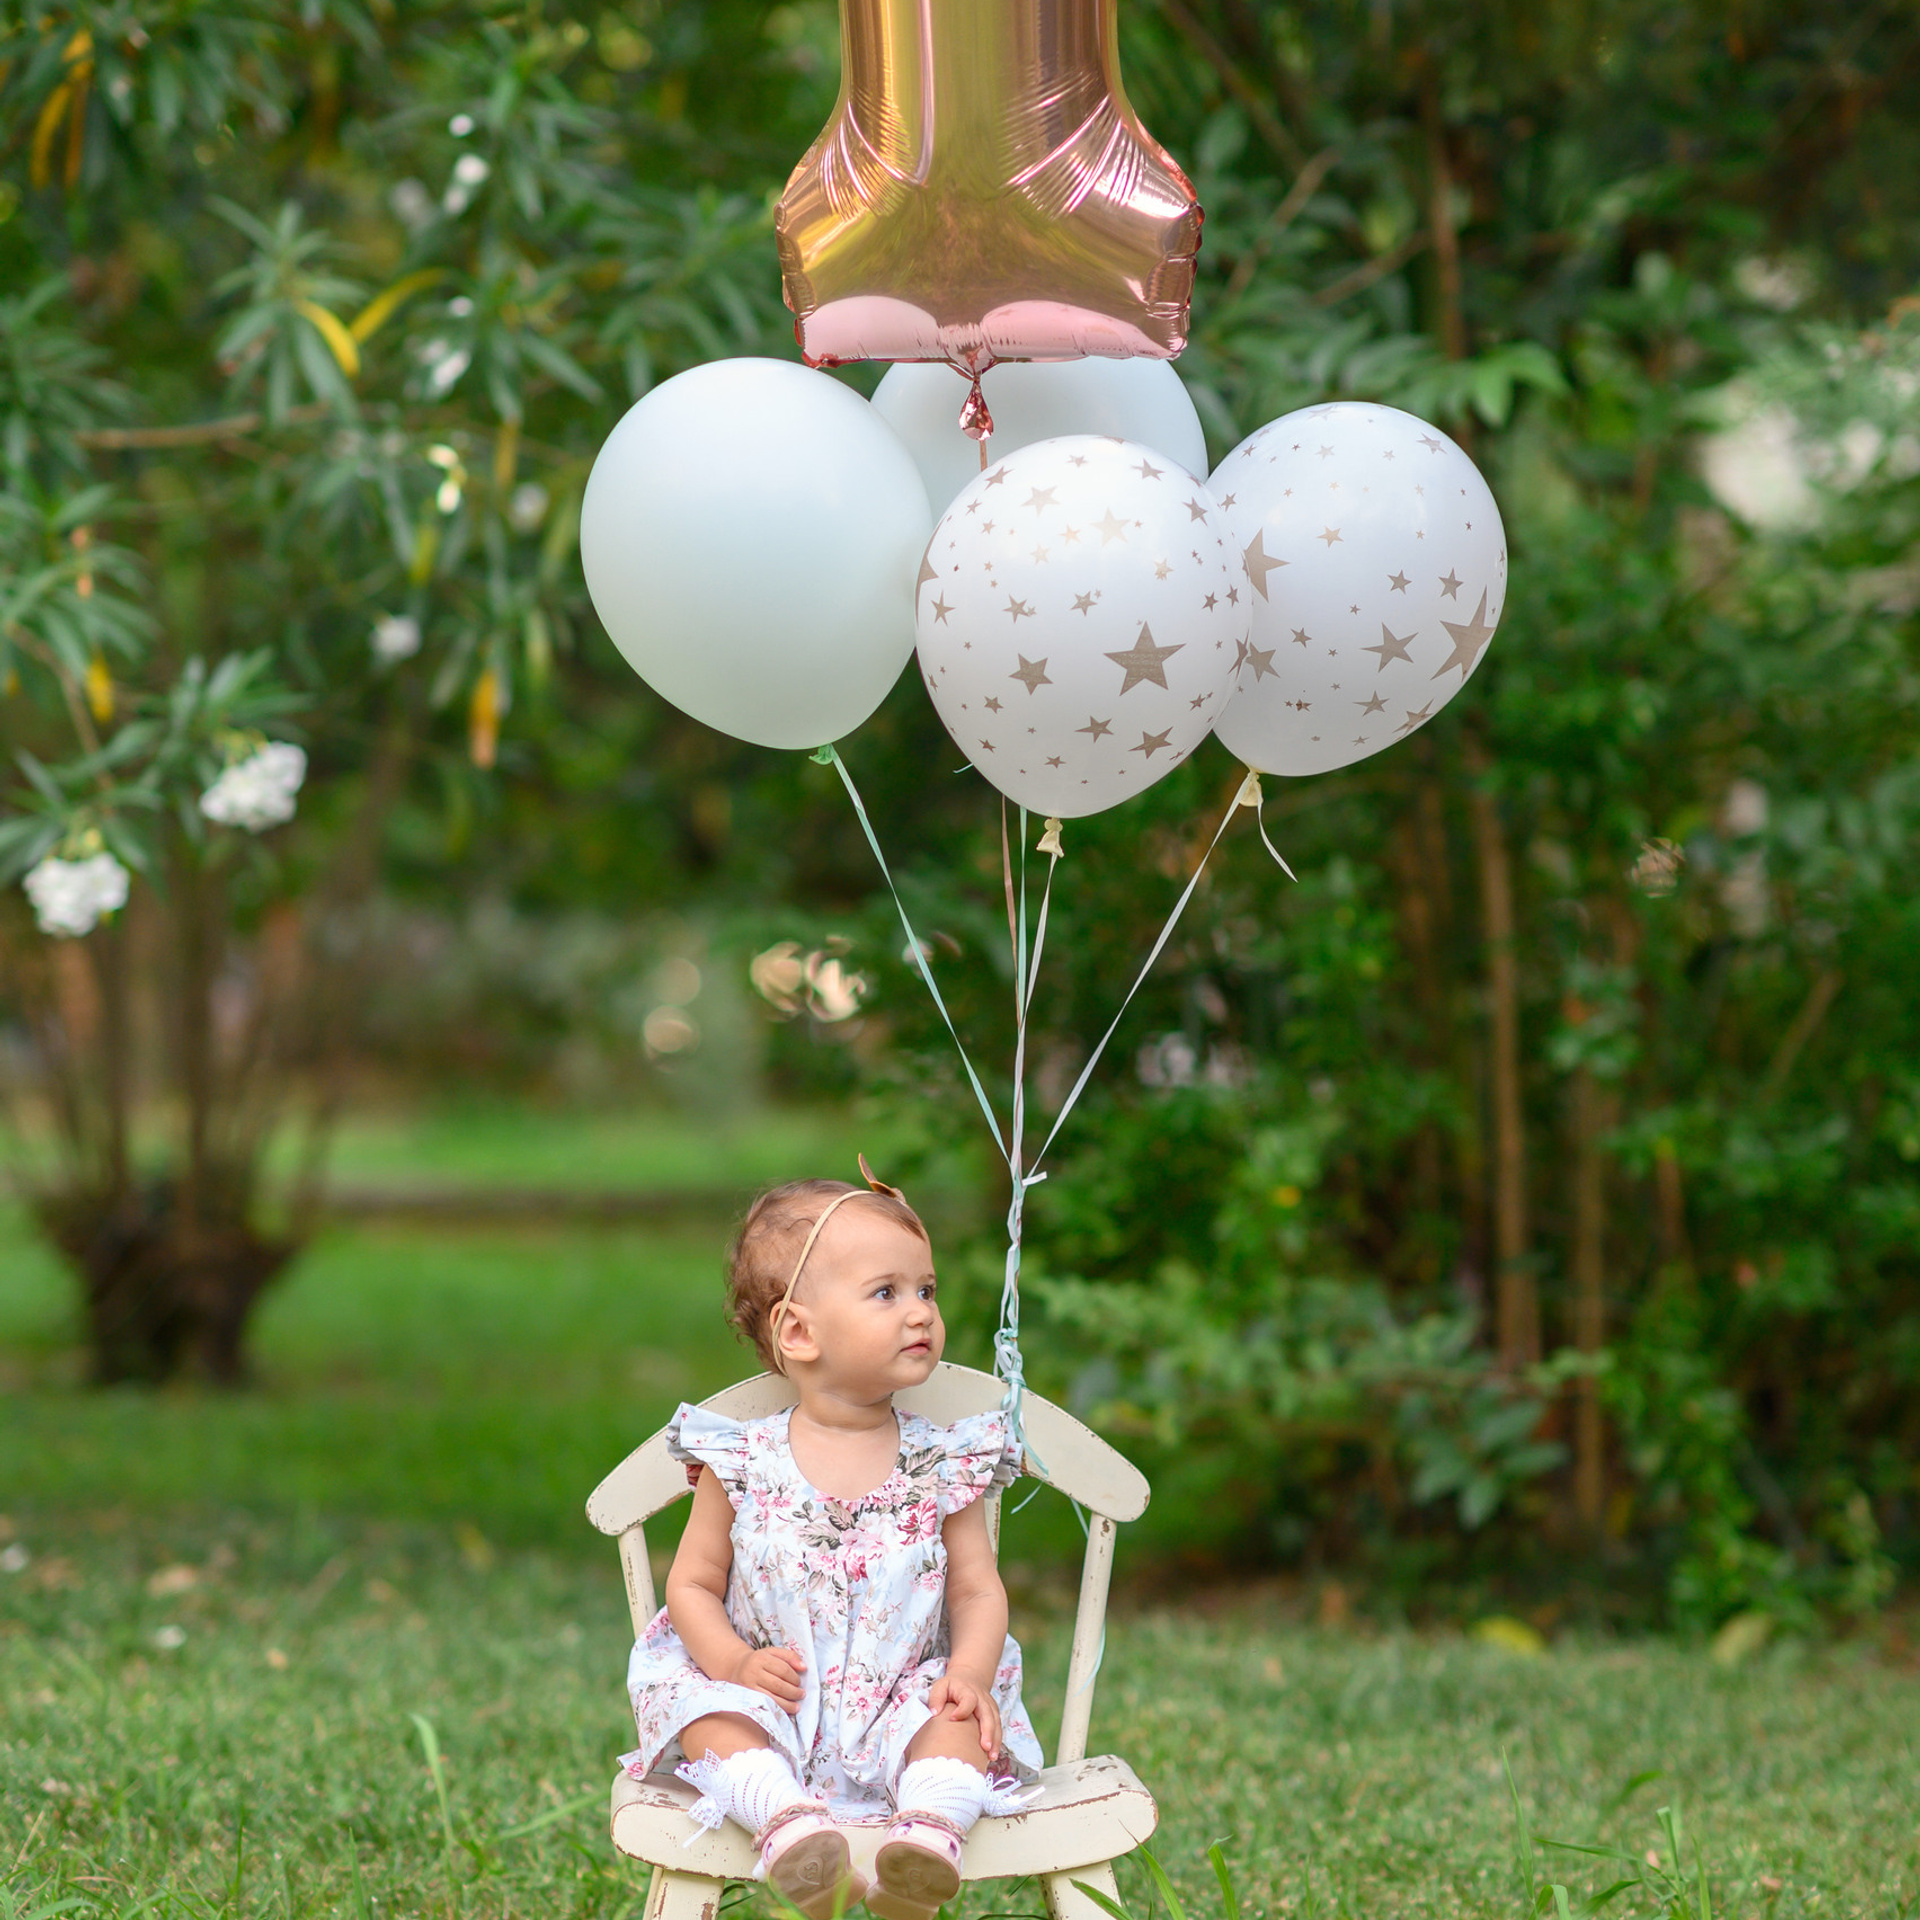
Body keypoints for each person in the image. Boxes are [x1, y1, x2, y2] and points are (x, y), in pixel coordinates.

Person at [621, 1167, 1043, 1920]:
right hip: (770, 1701)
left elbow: (977, 1588)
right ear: (799, 1332)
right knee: (707, 1711)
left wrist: (971, 1674)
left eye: (927, 1290)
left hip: (898, 1708)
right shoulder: (741, 1461)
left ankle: (928, 1834)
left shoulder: (944, 1461)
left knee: (957, 1720)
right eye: (887, 1293)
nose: (920, 1313)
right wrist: (733, 1663)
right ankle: (788, 1825)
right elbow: (690, 1584)